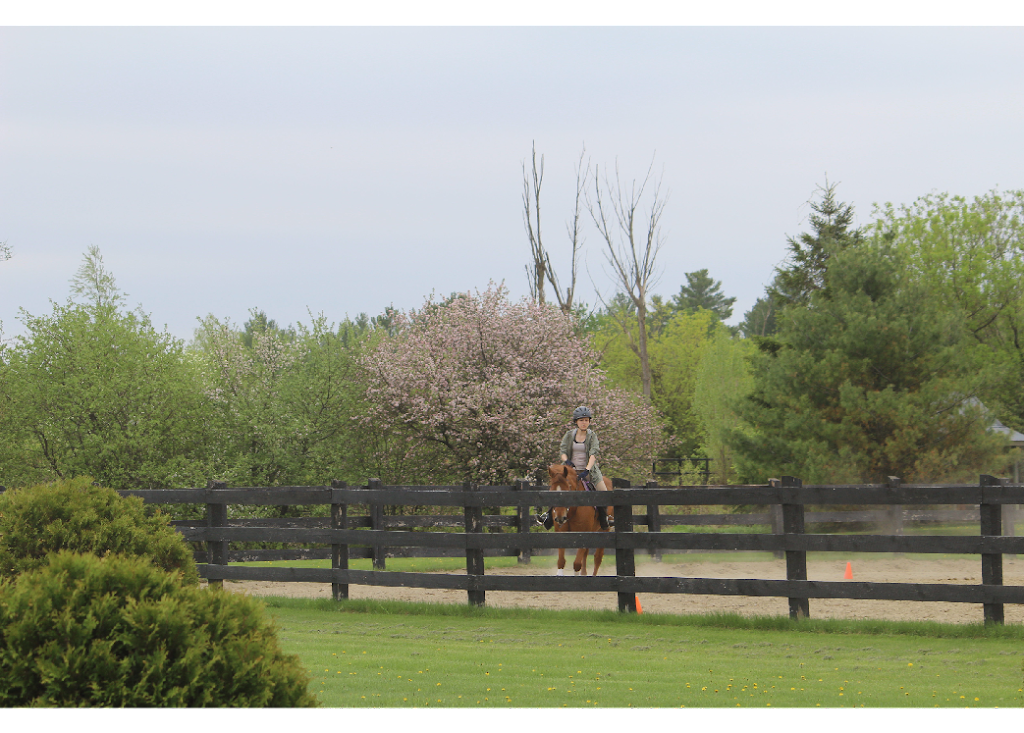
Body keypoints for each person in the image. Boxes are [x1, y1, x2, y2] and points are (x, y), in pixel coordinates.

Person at [538, 406, 612, 529]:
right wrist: (566, 460)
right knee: (557, 488)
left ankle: (604, 517)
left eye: (586, 420)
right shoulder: (569, 435)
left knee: (603, 492)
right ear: (576, 422)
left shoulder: (592, 436)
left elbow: (593, 454)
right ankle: (548, 515)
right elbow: (562, 450)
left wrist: (587, 470)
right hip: (569, 471)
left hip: (589, 470)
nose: (584, 423)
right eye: (581, 420)